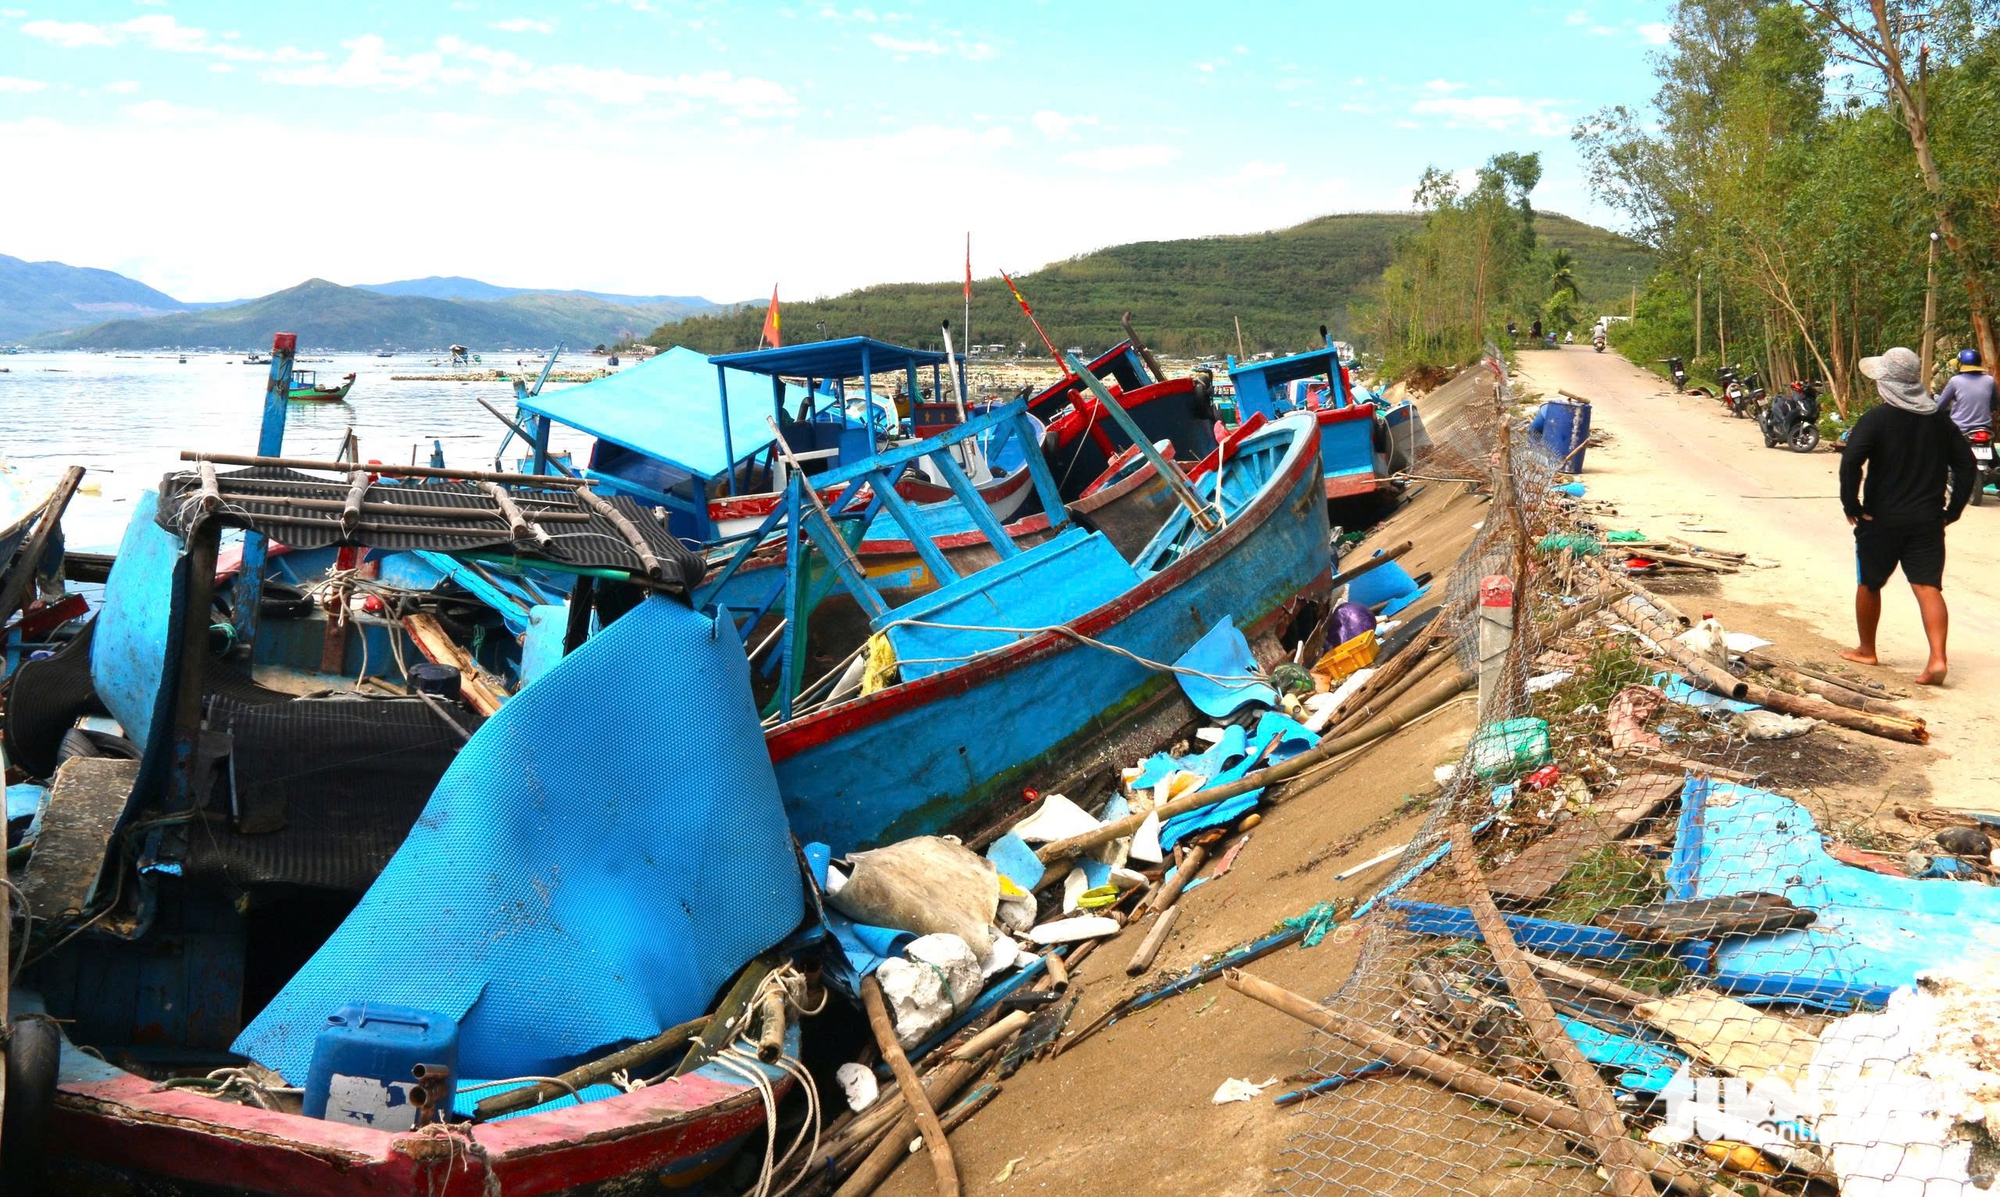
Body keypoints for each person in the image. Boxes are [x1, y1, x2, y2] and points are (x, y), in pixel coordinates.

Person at [1838, 346, 1976, 685]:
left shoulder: (1876, 419)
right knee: (1928, 587)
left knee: (1869, 583)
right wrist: (1952, 510)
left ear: (1887, 384)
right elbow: (1967, 465)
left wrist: (1852, 506)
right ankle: (1938, 659)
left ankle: (1867, 650)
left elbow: (1851, 461)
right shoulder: (1940, 422)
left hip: (1880, 519)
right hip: (1928, 520)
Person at [1941, 348, 1996, 434]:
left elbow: (1940, 405)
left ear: (1961, 365)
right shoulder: (1990, 380)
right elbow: (1995, 404)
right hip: (1985, 429)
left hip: (1960, 429)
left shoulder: (1955, 381)